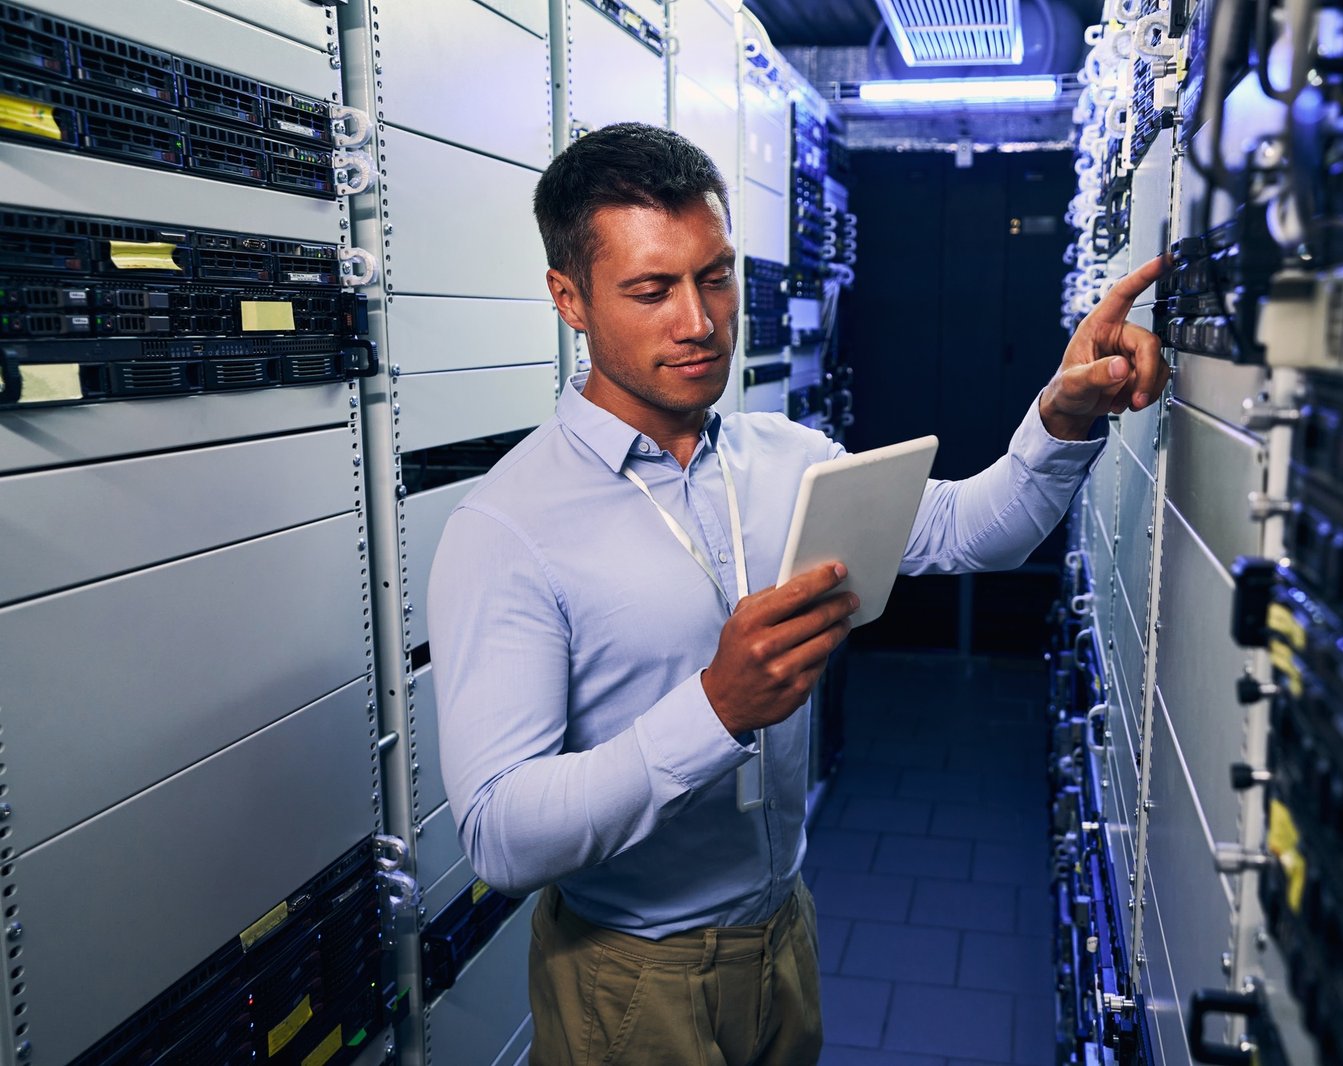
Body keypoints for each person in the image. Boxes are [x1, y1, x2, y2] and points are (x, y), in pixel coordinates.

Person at [429, 122, 1169, 1066]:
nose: (699, 322)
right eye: (651, 290)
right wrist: (714, 710)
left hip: (782, 931)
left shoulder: (785, 457)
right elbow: (497, 834)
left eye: (716, 276)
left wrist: (1062, 417)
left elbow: (977, 530)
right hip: (628, 976)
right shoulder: (507, 528)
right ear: (568, 299)